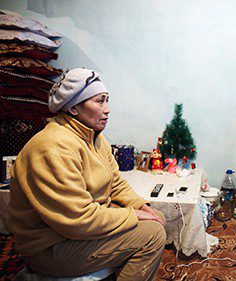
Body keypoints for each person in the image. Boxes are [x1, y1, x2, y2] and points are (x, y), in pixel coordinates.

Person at [8, 68, 166, 280]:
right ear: (73, 108)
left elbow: (115, 183)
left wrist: (140, 206)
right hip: (51, 246)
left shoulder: (95, 138)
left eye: (107, 100)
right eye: (99, 101)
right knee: (152, 236)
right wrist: (133, 215)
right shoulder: (52, 148)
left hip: (78, 231)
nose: (107, 109)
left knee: (158, 218)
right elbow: (78, 219)